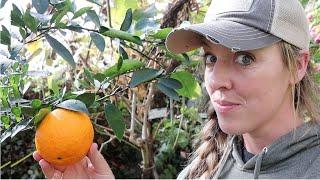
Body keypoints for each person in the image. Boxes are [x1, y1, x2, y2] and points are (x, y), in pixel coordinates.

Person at [34, 0, 320, 179]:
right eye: (210, 57)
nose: (217, 80)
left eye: (245, 58)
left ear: (297, 66)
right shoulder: (204, 169)